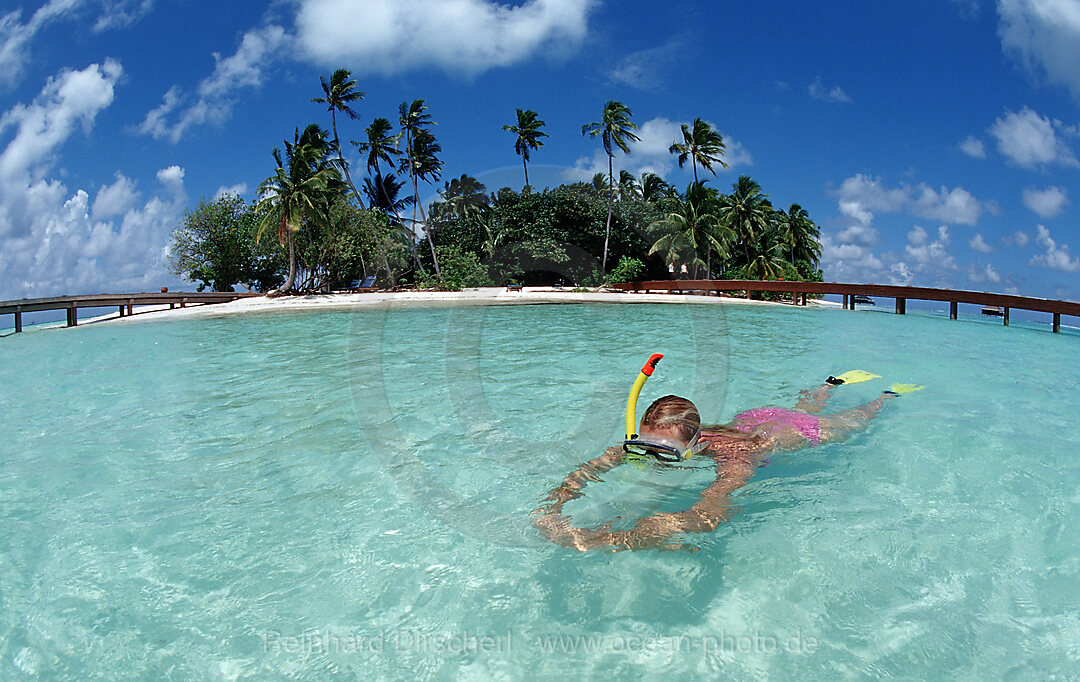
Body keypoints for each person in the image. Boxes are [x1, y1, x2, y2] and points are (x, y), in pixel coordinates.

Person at [533, 381, 899, 552]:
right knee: (803, 402)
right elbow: (590, 468)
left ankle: (883, 397)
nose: (652, 458)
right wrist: (553, 506)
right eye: (645, 448)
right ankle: (825, 386)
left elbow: (712, 514)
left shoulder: (734, 459)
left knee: (855, 420)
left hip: (790, 432)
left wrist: (615, 538)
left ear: (697, 445)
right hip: (752, 418)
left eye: (667, 453)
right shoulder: (659, 437)